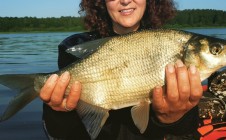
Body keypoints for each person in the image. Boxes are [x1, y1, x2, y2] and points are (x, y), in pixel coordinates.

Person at [40, 0, 203, 139]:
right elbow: (60, 132)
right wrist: (59, 113)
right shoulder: (74, 47)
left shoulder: (168, 43)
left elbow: (187, 132)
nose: (125, 0)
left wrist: (173, 119)